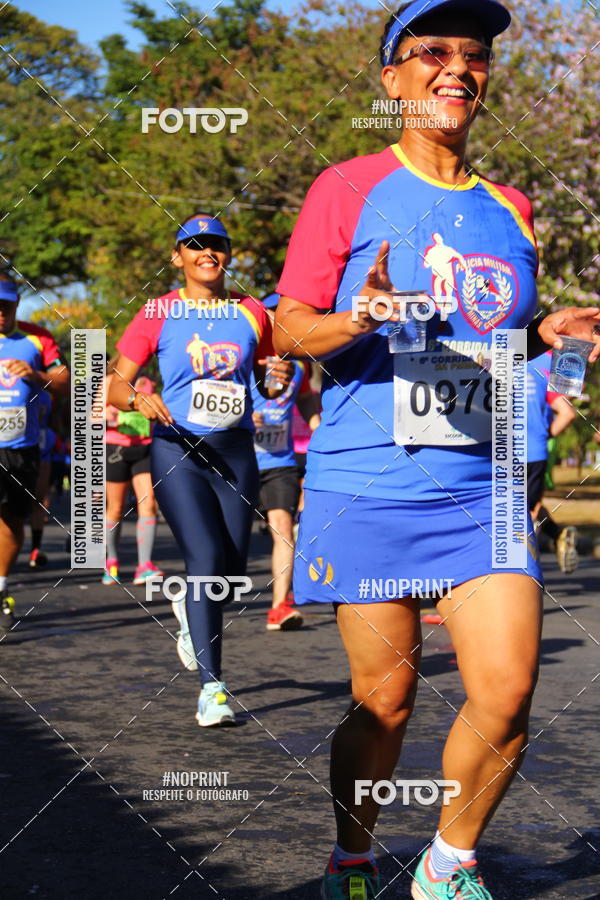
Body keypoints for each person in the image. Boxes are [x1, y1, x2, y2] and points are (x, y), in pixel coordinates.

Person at [273, 1, 600, 896]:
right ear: (392, 78)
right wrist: (358, 315)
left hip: (480, 484)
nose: (458, 65)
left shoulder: (512, 207)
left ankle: (447, 866)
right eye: (432, 52)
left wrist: (546, 332)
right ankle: (351, 849)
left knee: (505, 689)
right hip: (367, 480)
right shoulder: (345, 189)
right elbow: (290, 331)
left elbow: (489, 332)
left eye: (474, 53)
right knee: (386, 702)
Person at [108, 212, 291, 727]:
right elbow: (116, 384)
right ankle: (213, 688)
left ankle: (192, 616)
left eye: (217, 244)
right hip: (177, 450)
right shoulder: (157, 311)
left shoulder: (254, 312)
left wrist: (276, 378)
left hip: (236, 452)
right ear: (178, 256)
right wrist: (140, 400)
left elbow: (273, 379)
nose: (207, 252)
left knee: (231, 572)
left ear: (227, 255)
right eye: (195, 245)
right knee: (205, 560)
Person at [0, 274, 70, 634]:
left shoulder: (36, 337)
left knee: (12, 521)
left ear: (16, 303)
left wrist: (34, 374)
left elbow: (64, 379)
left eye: (5, 305)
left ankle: (2, 585)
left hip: (22, 449)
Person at [251, 293, 321, 630]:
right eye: (280, 312)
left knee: (282, 529)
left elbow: (306, 399)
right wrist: (244, 417)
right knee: (225, 537)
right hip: (240, 458)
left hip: (280, 460)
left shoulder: (297, 364)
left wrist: (316, 425)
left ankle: (280, 604)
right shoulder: (243, 355)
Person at [104, 371, 163, 585]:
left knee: (148, 504)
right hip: (115, 449)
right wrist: (107, 417)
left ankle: (144, 565)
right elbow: (89, 416)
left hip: (144, 448)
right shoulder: (109, 382)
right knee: (116, 508)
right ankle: (111, 561)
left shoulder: (148, 382)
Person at [526, 353, 578, 574]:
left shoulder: (502, 352)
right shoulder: (559, 357)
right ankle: (557, 534)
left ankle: (523, 571)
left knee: (520, 509)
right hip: (538, 444)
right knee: (528, 506)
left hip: (505, 446)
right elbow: (567, 407)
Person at [28, 388, 55, 568]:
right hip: (12, 447)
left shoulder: (46, 394)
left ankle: (35, 550)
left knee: (38, 500)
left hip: (40, 448)